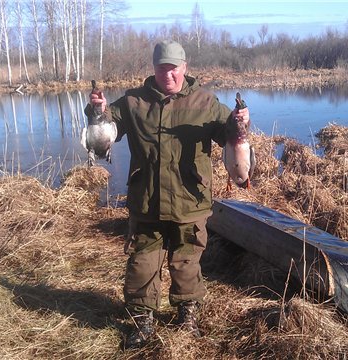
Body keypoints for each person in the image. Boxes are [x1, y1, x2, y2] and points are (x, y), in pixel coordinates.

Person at [85, 40, 250, 348]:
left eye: (174, 69)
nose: (169, 75)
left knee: (186, 262)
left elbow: (228, 133)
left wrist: (240, 122)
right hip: (146, 201)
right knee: (142, 263)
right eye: (163, 69)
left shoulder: (205, 102)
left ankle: (187, 316)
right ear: (155, 69)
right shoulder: (134, 102)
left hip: (191, 202)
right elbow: (108, 128)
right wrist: (97, 111)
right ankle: (142, 321)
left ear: (184, 68)